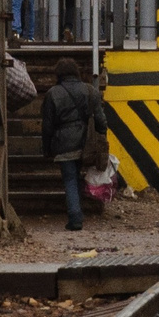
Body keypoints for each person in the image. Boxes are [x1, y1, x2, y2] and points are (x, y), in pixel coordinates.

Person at [40, 60, 104, 230]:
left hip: (64, 143)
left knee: (69, 178)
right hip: (86, 142)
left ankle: (75, 217)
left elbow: (47, 126)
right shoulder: (90, 90)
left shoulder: (53, 93)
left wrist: (47, 148)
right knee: (76, 177)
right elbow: (100, 120)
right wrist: (101, 139)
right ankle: (78, 210)